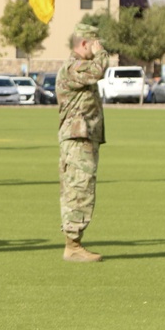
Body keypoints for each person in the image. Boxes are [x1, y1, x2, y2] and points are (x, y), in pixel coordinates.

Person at [56, 23, 109, 262]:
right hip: (77, 139)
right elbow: (98, 70)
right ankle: (73, 245)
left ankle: (74, 242)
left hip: (83, 137)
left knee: (80, 188)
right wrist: (101, 54)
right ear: (84, 44)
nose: (98, 47)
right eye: (94, 43)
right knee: (79, 190)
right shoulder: (73, 67)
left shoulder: (78, 67)